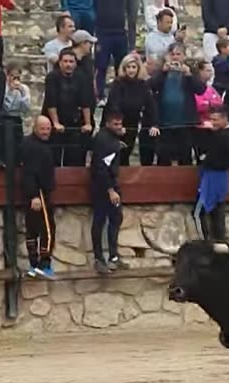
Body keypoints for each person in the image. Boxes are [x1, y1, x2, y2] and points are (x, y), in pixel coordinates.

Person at [44, 48, 96, 167]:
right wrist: (56, 123)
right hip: (55, 121)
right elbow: (51, 101)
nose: (68, 64)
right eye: (65, 61)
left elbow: (85, 101)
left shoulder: (81, 77)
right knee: (54, 158)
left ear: (75, 63)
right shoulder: (52, 77)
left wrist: (87, 123)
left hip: (73, 121)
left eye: (71, 62)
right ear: (60, 63)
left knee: (75, 158)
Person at [21, 116, 57, 279]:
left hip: (35, 192)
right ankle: (44, 263)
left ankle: (33, 264)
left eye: (48, 129)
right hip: (39, 193)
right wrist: (34, 195)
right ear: (35, 128)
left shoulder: (31, 144)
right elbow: (28, 172)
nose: (46, 132)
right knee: (47, 229)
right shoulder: (35, 147)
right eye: (43, 128)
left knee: (32, 229)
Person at [89, 111, 125, 273]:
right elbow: (101, 167)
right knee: (100, 220)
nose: (119, 127)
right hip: (102, 187)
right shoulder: (105, 140)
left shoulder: (110, 138)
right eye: (116, 124)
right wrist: (110, 190)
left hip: (109, 184)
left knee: (116, 218)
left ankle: (113, 256)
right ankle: (99, 259)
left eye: (120, 124)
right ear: (108, 124)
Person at [194, 105, 229, 242]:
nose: (212, 123)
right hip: (220, 178)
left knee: (199, 213)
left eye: (216, 120)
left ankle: (206, 244)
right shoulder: (227, 132)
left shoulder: (225, 135)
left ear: (225, 119)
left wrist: (205, 158)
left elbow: (218, 149)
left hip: (213, 176)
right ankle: (220, 242)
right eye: (211, 119)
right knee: (217, 212)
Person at [109, 54, 159, 166]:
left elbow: (151, 105)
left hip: (133, 123)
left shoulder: (142, 85)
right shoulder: (118, 83)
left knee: (126, 153)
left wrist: (154, 124)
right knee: (116, 155)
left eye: (134, 67)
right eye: (128, 67)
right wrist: (118, 125)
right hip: (117, 124)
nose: (131, 70)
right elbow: (114, 104)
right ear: (124, 68)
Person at [150, 44, 195, 166]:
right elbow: (151, 85)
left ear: (184, 56)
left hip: (185, 122)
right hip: (164, 122)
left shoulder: (190, 71)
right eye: (172, 54)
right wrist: (163, 72)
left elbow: (200, 89)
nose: (175, 57)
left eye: (178, 54)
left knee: (185, 157)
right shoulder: (161, 71)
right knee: (163, 157)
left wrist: (189, 75)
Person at [93, 0, 129, 97]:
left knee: (122, 65)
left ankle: (122, 93)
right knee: (101, 65)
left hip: (120, 31)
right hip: (102, 32)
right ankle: (100, 95)